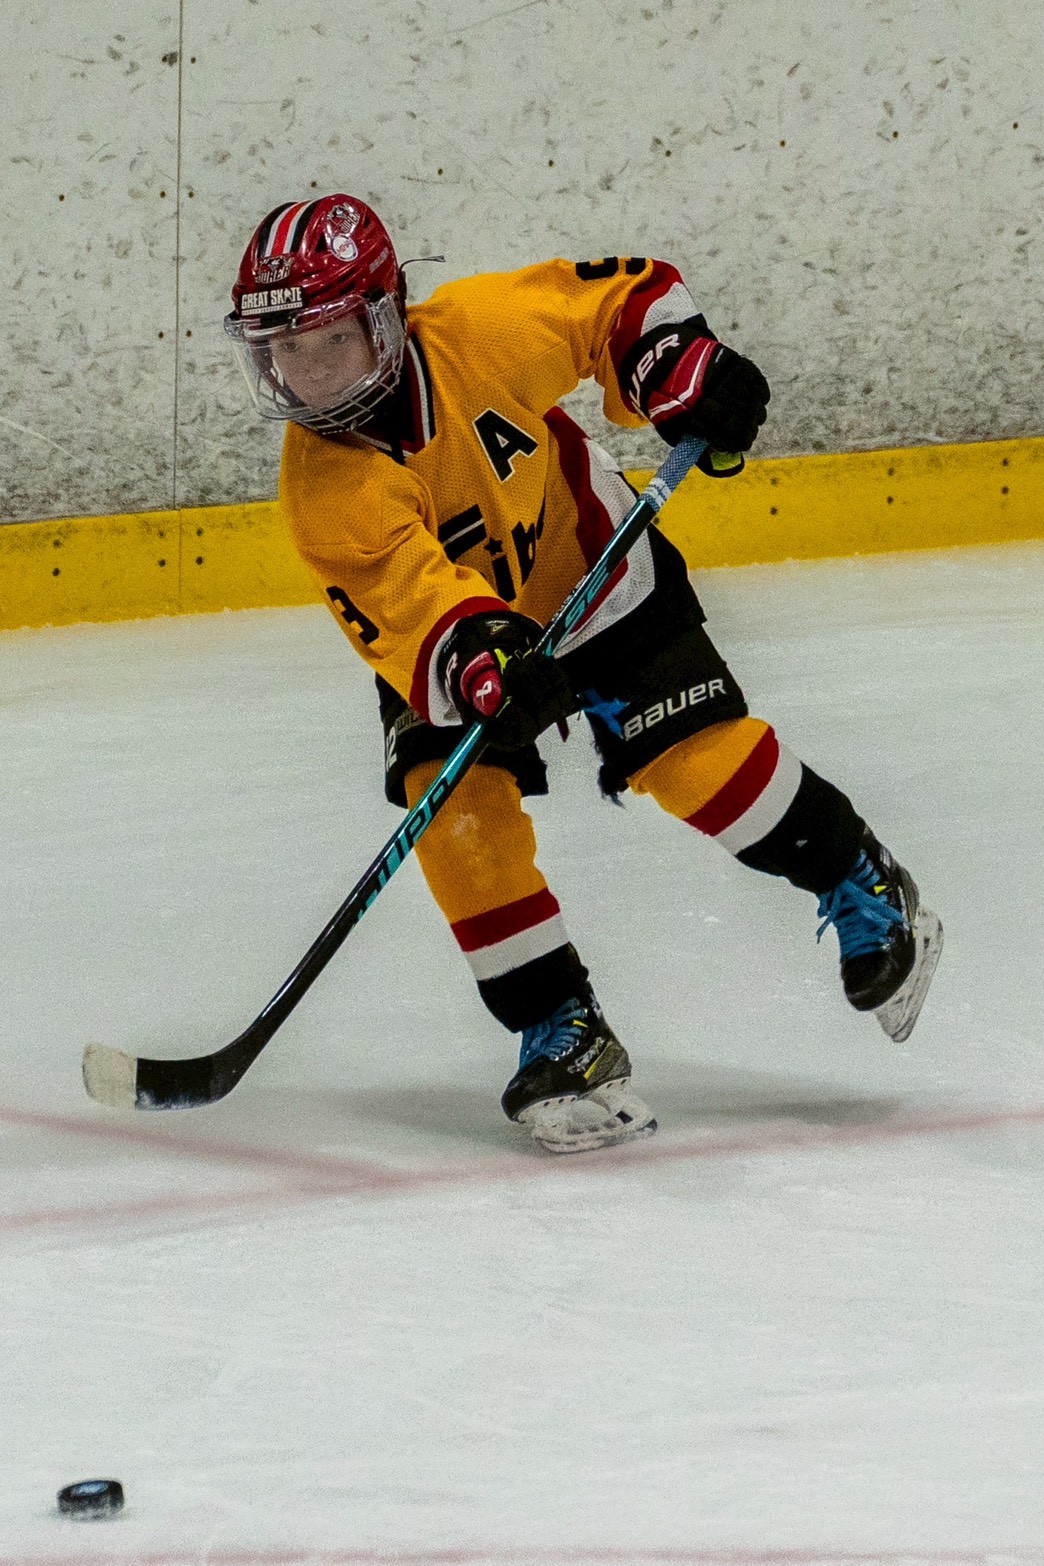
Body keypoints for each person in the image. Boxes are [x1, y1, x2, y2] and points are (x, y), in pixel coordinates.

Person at [224, 193, 943, 1153]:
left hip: (594, 571)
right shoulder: (323, 489)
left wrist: (679, 369)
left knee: (695, 764)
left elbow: (622, 300)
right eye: (284, 350)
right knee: (452, 808)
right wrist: (483, 664)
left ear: (388, 316)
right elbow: (411, 605)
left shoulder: (479, 330)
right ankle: (560, 1026)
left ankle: (860, 877)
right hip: (460, 643)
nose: (308, 375)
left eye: (330, 342)